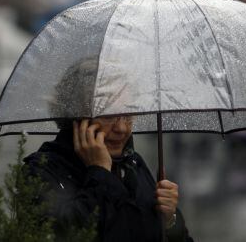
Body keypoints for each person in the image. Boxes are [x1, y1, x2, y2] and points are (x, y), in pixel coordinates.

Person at [23, 59, 194, 241]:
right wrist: (100, 173)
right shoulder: (42, 170)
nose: (121, 128)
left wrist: (170, 221)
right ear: (75, 114)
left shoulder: (133, 164)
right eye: (108, 115)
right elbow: (66, 233)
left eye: (128, 114)